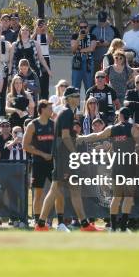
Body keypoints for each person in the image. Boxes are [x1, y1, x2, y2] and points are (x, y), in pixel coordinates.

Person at [35, 86, 99, 232]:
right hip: (64, 157)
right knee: (55, 189)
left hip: (64, 157)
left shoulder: (67, 113)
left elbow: (67, 135)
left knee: (74, 190)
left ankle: (84, 225)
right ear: (69, 98)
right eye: (76, 96)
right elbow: (64, 137)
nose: (78, 98)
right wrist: (74, 152)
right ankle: (40, 224)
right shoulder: (67, 113)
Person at [80, 107, 139, 232]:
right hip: (129, 164)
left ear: (121, 116)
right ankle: (124, 228)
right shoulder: (133, 128)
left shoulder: (112, 128)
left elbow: (97, 135)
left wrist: (82, 138)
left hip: (117, 164)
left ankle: (114, 228)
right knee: (128, 197)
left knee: (116, 196)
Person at [23, 100, 68, 231]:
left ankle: (60, 223)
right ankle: (38, 223)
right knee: (38, 194)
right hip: (38, 163)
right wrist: (42, 154)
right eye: (49, 108)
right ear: (42, 109)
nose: (52, 110)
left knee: (59, 192)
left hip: (53, 163)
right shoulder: (32, 125)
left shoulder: (54, 125)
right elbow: (25, 146)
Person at [70, 20, 97, 94]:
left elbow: (92, 48)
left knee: (89, 86)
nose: (83, 29)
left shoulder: (92, 36)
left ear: (88, 28)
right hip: (77, 61)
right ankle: (75, 105)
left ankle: (88, 104)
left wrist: (80, 50)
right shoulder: (75, 36)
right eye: (81, 27)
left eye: (85, 27)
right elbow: (73, 49)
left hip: (88, 62)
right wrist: (79, 39)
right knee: (75, 86)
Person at [32, 18, 53, 99]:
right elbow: (29, 41)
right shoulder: (34, 34)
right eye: (39, 24)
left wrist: (46, 30)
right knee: (36, 80)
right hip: (36, 59)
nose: (41, 26)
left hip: (45, 58)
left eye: (42, 24)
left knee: (45, 81)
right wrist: (35, 31)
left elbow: (50, 41)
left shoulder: (46, 34)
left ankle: (45, 100)